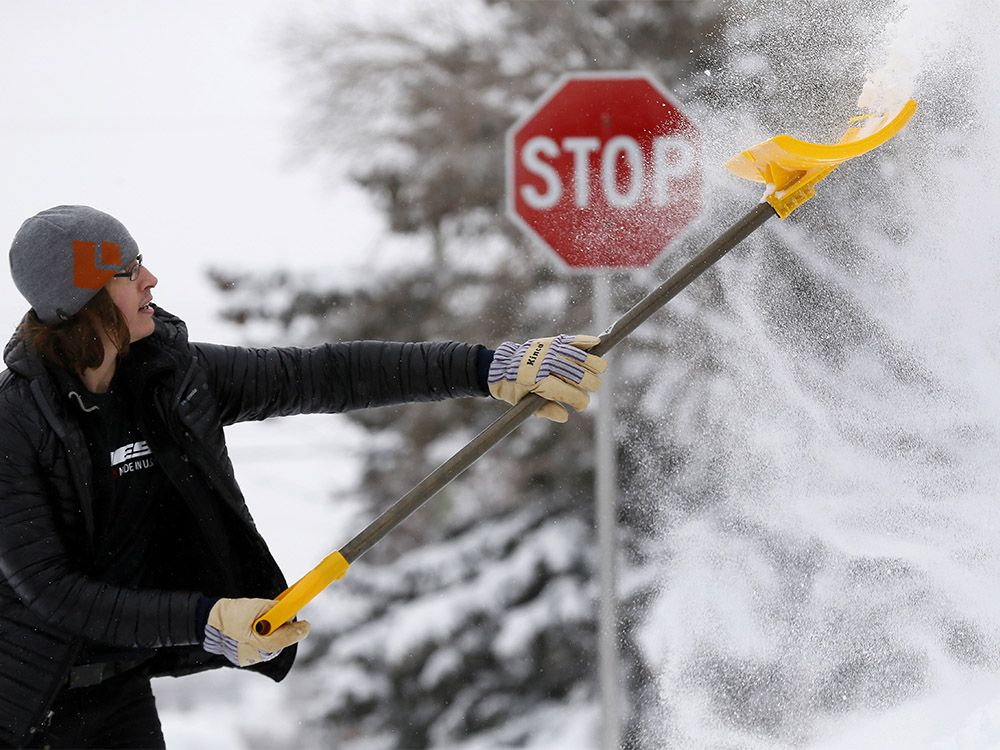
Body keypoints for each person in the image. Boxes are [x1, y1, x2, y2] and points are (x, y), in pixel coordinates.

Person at [0, 205, 607, 748]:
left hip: (120, 692)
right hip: (23, 707)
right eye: (129, 271)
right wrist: (204, 621)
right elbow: (52, 591)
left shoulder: (167, 379)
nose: (151, 280)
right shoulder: (14, 425)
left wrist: (486, 368)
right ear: (86, 300)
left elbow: (322, 373)